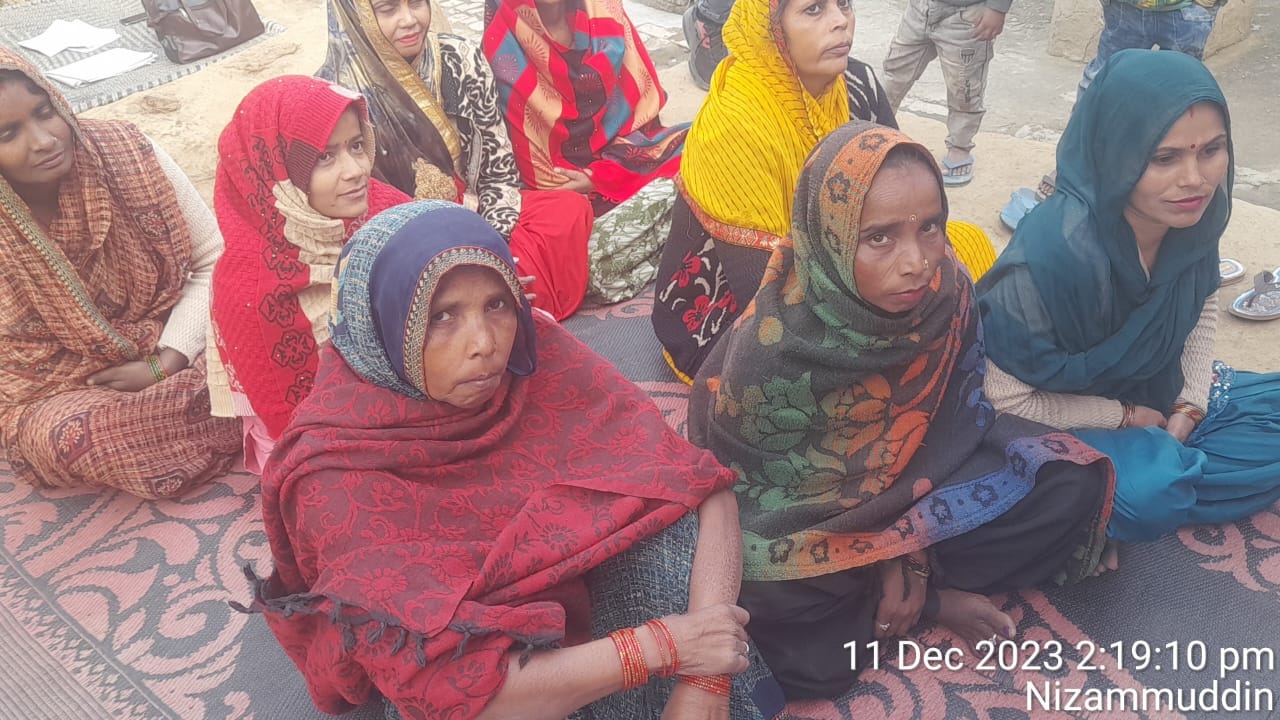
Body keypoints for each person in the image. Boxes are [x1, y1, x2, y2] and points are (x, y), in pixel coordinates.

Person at [242, 200, 783, 720]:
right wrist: (664, 647)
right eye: (441, 316)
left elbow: (701, 487)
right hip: (485, 679)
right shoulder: (335, 475)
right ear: (380, 324)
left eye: (496, 305)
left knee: (673, 529)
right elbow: (454, 693)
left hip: (588, 603)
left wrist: (704, 680)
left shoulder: (536, 358)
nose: (484, 343)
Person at [687, 121, 1115, 700]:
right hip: (813, 526)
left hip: (924, 478)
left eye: (930, 227)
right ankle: (925, 601)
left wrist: (910, 551)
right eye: (880, 237)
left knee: (1068, 481)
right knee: (795, 637)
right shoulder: (773, 350)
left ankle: (910, 590)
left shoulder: (946, 291)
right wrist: (882, 558)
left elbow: (955, 423)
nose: (916, 261)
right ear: (830, 237)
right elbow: (760, 510)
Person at [977, 50, 1280, 559]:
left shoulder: (1193, 220)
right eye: (1164, 158)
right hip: (1062, 415)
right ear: (1112, 153)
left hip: (1158, 389)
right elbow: (1004, 401)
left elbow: (1201, 307)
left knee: (1177, 467)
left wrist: (1188, 407)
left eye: (1211, 150)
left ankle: (1138, 477)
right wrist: (1125, 416)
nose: (1195, 178)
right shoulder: (1054, 257)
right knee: (1151, 495)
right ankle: (1114, 485)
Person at [652, 0, 995, 383]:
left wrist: (903, 256)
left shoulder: (857, 83)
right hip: (744, 311)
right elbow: (760, 287)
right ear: (770, 25)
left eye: (843, 4)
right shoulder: (734, 125)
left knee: (969, 246)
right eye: (814, 9)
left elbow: (905, 192)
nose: (840, 22)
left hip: (855, 260)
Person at [0, 50, 240, 499]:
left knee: (266, 331)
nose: (44, 141)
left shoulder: (125, 152)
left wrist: (167, 361)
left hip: (178, 335)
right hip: (65, 387)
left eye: (45, 112)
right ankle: (238, 409)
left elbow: (216, 260)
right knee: (76, 438)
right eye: (8, 134)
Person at [318, 0, 593, 319]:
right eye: (388, 9)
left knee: (568, 210)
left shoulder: (459, 58)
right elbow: (358, 217)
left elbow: (498, 169)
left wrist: (490, 247)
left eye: (416, 3)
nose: (409, 20)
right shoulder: (334, 96)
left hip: (474, 214)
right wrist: (456, 261)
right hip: (406, 242)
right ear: (356, 15)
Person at [208, 76, 411, 473]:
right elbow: (299, 428)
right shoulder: (252, 290)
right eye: (324, 157)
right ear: (278, 174)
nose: (355, 170)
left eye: (357, 146)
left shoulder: (384, 208)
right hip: (319, 440)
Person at [483, 0, 695, 303]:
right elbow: (537, 168)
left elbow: (642, 119)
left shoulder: (605, 12)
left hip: (627, 157)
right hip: (564, 189)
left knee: (702, 143)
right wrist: (585, 184)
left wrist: (602, 176)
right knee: (573, 238)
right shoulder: (504, 43)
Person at [880, 0, 1011, 186]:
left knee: (964, 89)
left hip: (969, 17)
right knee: (894, 71)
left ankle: (960, 147)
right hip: (919, 9)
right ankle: (875, 129)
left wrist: (997, 8)